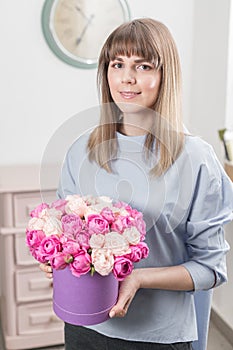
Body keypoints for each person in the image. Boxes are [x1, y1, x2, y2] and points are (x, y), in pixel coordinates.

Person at [40, 18, 233, 350]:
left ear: (164, 75)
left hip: (159, 338)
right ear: (106, 72)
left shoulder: (196, 159)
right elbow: (65, 234)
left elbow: (210, 268)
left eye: (143, 65)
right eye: (118, 64)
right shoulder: (81, 150)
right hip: (84, 327)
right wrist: (59, 260)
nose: (127, 78)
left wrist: (140, 278)